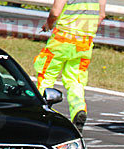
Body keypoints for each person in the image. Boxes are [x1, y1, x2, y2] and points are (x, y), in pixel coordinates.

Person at [34, 0, 107, 133]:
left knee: (46, 76)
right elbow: (101, 15)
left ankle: (40, 112)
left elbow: (55, 12)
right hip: (84, 44)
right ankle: (78, 109)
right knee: (75, 80)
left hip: (61, 40)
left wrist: (49, 25)